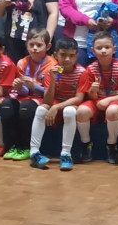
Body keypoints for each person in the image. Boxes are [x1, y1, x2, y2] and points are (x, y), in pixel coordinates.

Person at [76, 31, 118, 164]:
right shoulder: (89, 69)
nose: (103, 51)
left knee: (112, 110)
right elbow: (90, 95)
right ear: (92, 50)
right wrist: (93, 91)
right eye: (99, 48)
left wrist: (108, 100)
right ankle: (86, 145)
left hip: (116, 101)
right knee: (82, 111)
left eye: (107, 47)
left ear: (114, 49)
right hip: (97, 101)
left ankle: (111, 146)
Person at [0, 29, 56, 161]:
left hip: (41, 99)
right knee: (6, 105)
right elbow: (24, 92)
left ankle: (25, 147)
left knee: (26, 108)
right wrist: (19, 87)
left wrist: (34, 86)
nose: (35, 48)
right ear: (26, 45)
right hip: (25, 97)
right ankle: (12, 146)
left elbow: (48, 94)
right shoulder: (22, 62)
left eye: (39, 45)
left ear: (48, 46)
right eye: (31, 45)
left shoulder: (52, 65)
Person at [29, 37, 85, 171]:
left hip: (69, 104)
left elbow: (78, 98)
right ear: (55, 55)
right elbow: (47, 100)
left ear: (76, 56)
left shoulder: (82, 72)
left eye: (71, 56)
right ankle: (34, 152)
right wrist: (53, 80)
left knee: (69, 111)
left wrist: (57, 107)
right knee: (41, 110)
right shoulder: (51, 71)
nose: (67, 59)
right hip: (54, 102)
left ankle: (66, 155)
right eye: (63, 55)